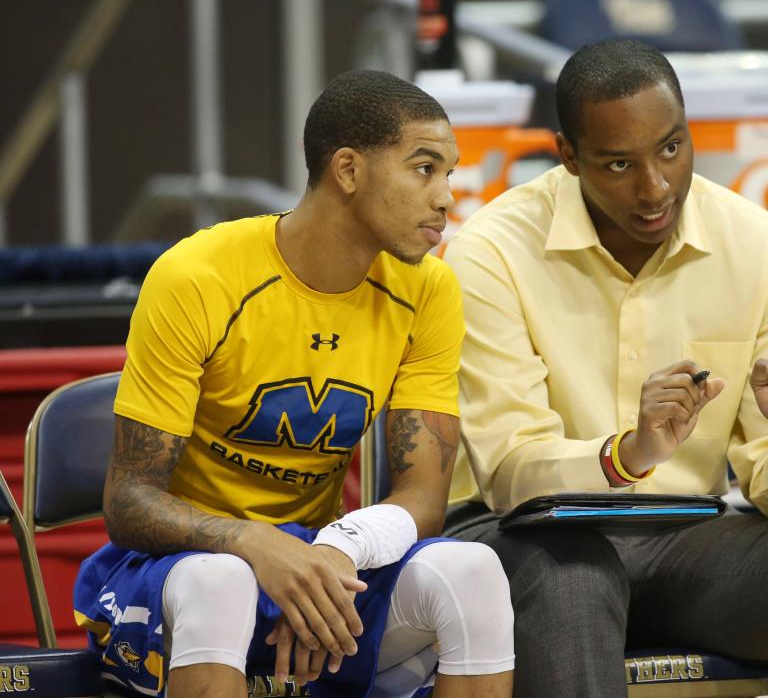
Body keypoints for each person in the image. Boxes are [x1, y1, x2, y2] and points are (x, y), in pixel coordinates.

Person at [442, 39, 768, 698]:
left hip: (683, 539)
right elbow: (510, 475)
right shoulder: (490, 255)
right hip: (521, 538)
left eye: (671, 148)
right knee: (575, 579)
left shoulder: (762, 250)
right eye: (619, 163)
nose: (655, 186)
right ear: (567, 156)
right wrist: (628, 453)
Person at [73, 70, 514, 698]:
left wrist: (335, 555)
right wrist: (258, 546)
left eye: (450, 173)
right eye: (424, 169)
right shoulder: (197, 277)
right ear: (348, 170)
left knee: (472, 570)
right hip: (172, 574)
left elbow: (424, 499)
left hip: (313, 560)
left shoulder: (429, 291)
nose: (447, 196)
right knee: (220, 582)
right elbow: (129, 501)